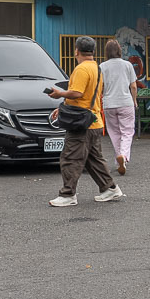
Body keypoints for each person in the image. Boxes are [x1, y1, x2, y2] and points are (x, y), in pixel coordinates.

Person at [47, 36, 123, 206]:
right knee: (93, 159)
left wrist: (59, 94)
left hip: (81, 123)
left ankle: (68, 195)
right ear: (93, 51)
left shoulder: (81, 69)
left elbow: (77, 93)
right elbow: (87, 95)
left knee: (70, 158)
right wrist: (62, 107)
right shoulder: (96, 68)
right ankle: (110, 188)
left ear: (76, 51)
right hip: (94, 121)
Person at [99, 39, 139, 175]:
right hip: (125, 102)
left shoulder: (102, 66)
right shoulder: (127, 65)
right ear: (119, 50)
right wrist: (134, 100)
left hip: (109, 104)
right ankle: (124, 156)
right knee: (127, 132)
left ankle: (119, 161)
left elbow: (100, 86)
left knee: (114, 133)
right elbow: (133, 86)